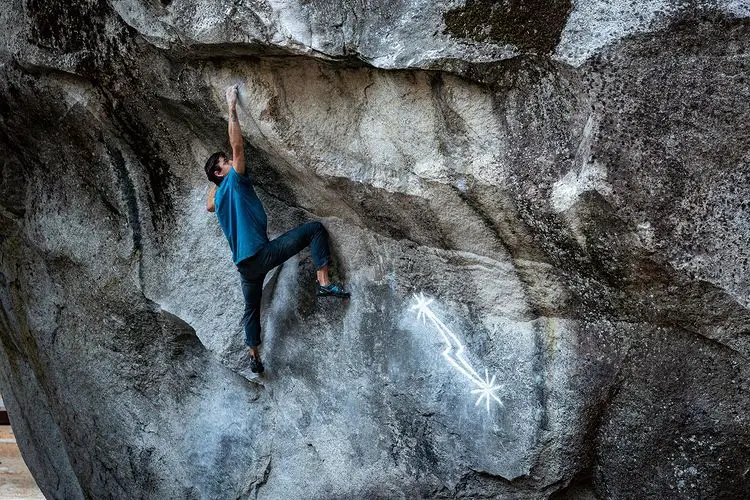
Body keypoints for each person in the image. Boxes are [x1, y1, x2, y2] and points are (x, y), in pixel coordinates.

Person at [205, 85, 350, 374]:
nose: (233, 162)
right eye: (227, 163)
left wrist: (215, 179)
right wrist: (231, 108)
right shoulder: (233, 181)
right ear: (223, 172)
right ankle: (324, 284)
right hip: (262, 254)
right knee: (315, 229)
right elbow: (238, 147)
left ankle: (254, 356)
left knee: (251, 309)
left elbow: (208, 204)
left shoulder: (218, 198)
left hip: (245, 268)